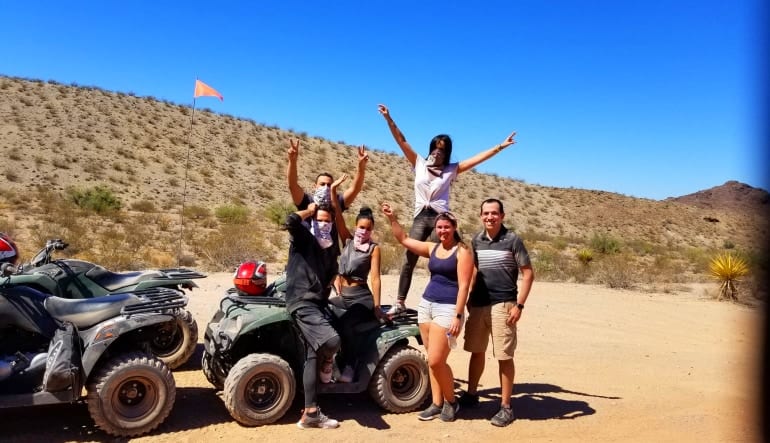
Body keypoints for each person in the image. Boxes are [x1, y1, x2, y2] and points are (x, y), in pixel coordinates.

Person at [377, 104, 516, 314]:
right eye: (435, 147)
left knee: (450, 256)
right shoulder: (419, 164)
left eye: (442, 149)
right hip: (420, 217)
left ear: (447, 152)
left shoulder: (452, 170)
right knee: (409, 258)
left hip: (440, 219)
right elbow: (402, 140)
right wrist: (389, 119)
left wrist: (500, 146)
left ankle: (457, 299)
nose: (437, 151)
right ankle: (400, 302)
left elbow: (478, 158)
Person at [381, 202, 472, 422]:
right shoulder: (433, 249)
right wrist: (393, 219)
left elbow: (464, 286)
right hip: (427, 306)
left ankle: (452, 402)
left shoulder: (463, 252)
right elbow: (404, 239)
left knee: (435, 361)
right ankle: (436, 403)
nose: (442, 231)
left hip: (448, 309)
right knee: (433, 358)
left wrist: (458, 316)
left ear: (454, 227)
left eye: (446, 227)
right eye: (439, 228)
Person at [459, 198, 534, 427]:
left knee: (504, 356)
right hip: (479, 304)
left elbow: (528, 273)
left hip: (504, 305)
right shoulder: (477, 240)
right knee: (476, 351)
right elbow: (474, 271)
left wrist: (519, 305)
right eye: (486, 213)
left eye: (494, 213)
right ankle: (472, 394)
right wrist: (469, 298)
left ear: (502, 215)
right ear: (480, 216)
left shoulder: (512, 240)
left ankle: (505, 407)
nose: (489, 217)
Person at [284, 201, 348, 429]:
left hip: (318, 302)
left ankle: (310, 413)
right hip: (301, 300)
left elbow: (332, 271)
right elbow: (290, 220)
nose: (323, 224)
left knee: (313, 352)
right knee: (331, 341)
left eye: (327, 221)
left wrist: (337, 283)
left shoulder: (330, 245)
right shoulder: (304, 237)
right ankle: (329, 363)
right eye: (319, 220)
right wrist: (309, 211)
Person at [328, 174, 384, 383]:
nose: (364, 231)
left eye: (368, 228)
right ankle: (330, 361)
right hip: (343, 295)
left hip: (361, 298)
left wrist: (377, 306)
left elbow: (376, 278)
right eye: (361, 227)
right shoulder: (348, 240)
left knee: (347, 324)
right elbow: (337, 216)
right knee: (323, 314)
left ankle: (351, 365)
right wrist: (333, 192)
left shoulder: (374, 249)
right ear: (355, 226)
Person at [286, 137, 369, 255]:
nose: (326, 187)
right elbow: (292, 185)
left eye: (329, 185)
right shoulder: (306, 201)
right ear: (315, 186)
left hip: (329, 258)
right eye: (322, 184)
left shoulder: (337, 202)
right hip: (306, 257)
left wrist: (361, 166)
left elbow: (355, 189)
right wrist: (292, 161)